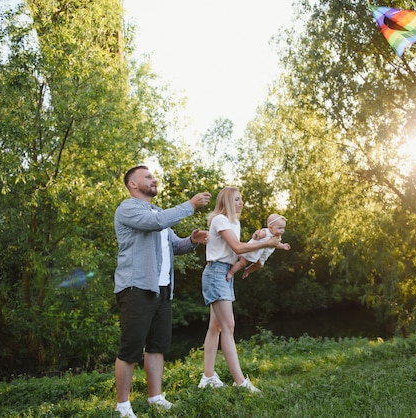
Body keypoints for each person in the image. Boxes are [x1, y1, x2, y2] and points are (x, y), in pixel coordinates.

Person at [113, 165, 211, 418]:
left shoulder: (159, 212)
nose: (154, 179)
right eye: (147, 177)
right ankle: (122, 406)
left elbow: (173, 245)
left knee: (157, 346)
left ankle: (155, 397)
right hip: (136, 288)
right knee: (130, 348)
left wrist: (191, 240)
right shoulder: (128, 209)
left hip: (163, 289)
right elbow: (156, 224)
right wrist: (190, 205)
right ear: (133, 184)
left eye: (153, 176)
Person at [198, 187, 282, 393]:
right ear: (227, 201)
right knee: (229, 326)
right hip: (216, 273)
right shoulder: (220, 220)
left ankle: (207, 376)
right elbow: (237, 248)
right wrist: (266, 242)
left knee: (216, 327)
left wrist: (260, 248)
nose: (241, 203)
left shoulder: (234, 223)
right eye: (237, 199)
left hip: (225, 273)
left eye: (241, 199)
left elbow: (240, 251)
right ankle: (240, 382)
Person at [226, 213, 291, 280]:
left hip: (262, 255)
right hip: (253, 251)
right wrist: (256, 235)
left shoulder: (277, 237)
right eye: (280, 228)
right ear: (271, 227)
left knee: (260, 265)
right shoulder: (265, 233)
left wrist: (283, 246)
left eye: (283, 228)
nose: (282, 230)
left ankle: (248, 270)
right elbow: (256, 237)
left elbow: (276, 244)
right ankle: (231, 272)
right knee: (243, 263)